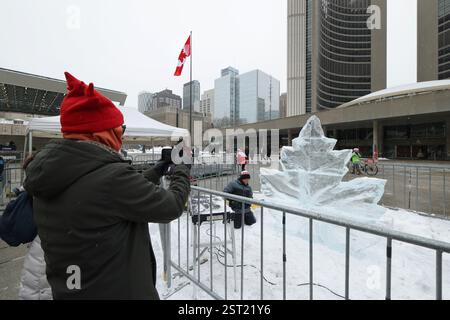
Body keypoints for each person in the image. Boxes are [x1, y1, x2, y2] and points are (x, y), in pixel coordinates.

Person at [23, 72, 191, 300]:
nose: (122, 136)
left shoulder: (51, 173)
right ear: (102, 132)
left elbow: (119, 193)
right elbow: (171, 206)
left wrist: (160, 167)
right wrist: (182, 168)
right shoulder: (111, 179)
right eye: (120, 129)